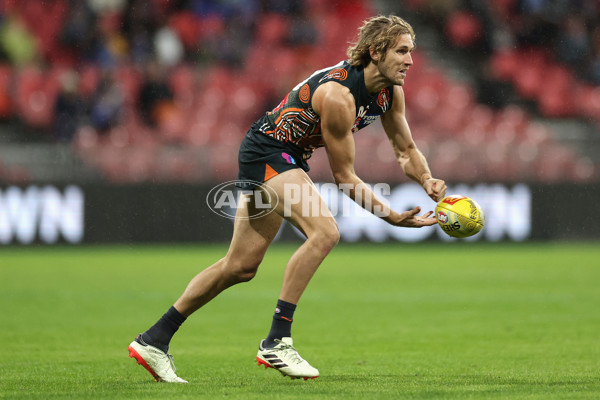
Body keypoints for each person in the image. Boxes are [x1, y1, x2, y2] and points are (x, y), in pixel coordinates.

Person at [128, 14, 447, 383]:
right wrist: (391, 216)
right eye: (402, 51)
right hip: (268, 153)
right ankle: (277, 341)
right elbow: (344, 177)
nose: (410, 60)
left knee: (240, 266)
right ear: (375, 52)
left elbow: (405, 149)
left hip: (283, 156)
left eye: (412, 51)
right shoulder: (339, 96)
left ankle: (154, 340)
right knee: (325, 232)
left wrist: (425, 178)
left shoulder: (389, 93)